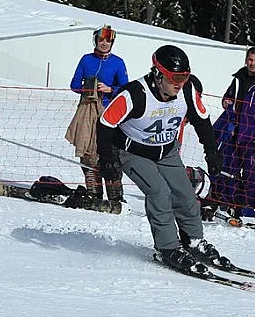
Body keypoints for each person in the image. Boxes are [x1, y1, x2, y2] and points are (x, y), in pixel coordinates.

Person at [96, 45, 224, 274]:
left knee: (185, 194)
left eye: (184, 76)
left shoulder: (187, 90)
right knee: (159, 193)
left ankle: (193, 241)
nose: (180, 83)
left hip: (167, 151)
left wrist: (212, 152)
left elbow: (202, 120)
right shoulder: (134, 93)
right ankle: (168, 248)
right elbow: (105, 124)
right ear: (158, 74)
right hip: (133, 152)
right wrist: (107, 158)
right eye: (175, 77)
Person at [210, 46, 255, 224]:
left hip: (253, 137)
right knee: (228, 170)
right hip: (233, 132)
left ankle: (247, 209)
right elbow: (228, 95)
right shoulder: (238, 79)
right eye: (250, 60)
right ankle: (228, 204)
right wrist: (226, 100)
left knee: (249, 173)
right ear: (246, 61)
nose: (253, 64)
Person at [64, 25, 128, 211]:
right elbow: (74, 84)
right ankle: (94, 194)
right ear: (96, 41)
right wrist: (87, 88)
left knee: (109, 153)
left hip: (109, 114)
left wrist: (110, 90)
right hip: (87, 112)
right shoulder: (86, 60)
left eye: (108, 40)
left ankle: (116, 197)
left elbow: (125, 90)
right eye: (102, 40)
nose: (105, 43)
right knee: (89, 153)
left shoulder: (118, 62)